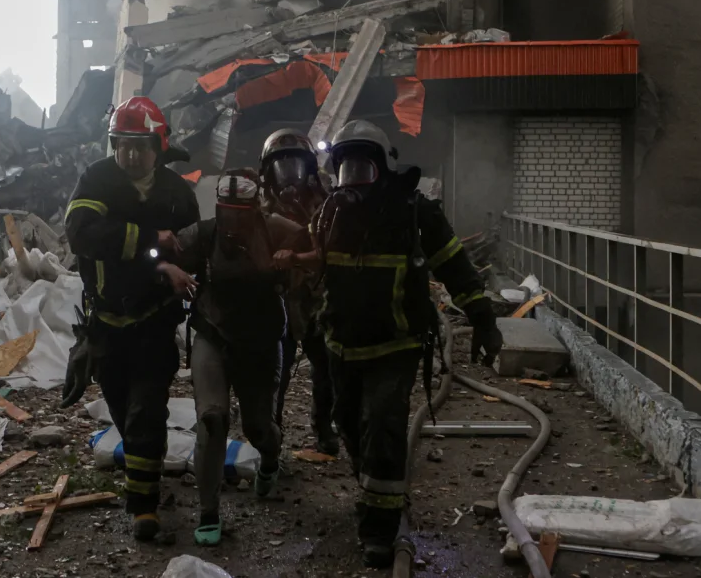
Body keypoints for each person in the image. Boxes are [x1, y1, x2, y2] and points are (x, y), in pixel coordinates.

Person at [311, 120, 503, 568]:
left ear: (384, 170)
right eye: (346, 168)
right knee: (349, 425)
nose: (353, 179)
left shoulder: (414, 214)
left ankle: (379, 530)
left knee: (382, 424)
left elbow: (455, 266)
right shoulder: (329, 214)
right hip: (342, 345)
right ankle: (375, 490)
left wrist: (483, 319)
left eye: (364, 168)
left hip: (395, 346)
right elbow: (304, 264)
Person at [61, 96, 200, 542]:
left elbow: (189, 249)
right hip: (106, 324)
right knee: (123, 409)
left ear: (158, 147)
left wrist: (177, 269)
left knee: (146, 410)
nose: (130, 154)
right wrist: (149, 243)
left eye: (139, 145)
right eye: (122, 144)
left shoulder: (177, 194)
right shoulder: (97, 180)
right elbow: (82, 235)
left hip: (153, 322)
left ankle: (144, 506)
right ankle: (146, 467)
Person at [171, 168, 309, 546]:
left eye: (241, 213)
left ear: (255, 209)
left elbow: (318, 249)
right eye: (227, 212)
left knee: (258, 427)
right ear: (218, 208)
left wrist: (294, 258)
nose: (233, 222)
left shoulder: (278, 229)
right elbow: (159, 255)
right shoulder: (203, 234)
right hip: (213, 336)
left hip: (261, 343)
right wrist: (168, 269)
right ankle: (208, 511)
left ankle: (270, 459)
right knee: (212, 419)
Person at [258, 129, 339, 456]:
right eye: (282, 165)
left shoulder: (327, 203)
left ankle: (324, 428)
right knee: (276, 371)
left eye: (296, 164)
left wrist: (296, 258)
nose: (289, 173)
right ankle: (271, 433)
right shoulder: (260, 208)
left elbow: (331, 252)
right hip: (280, 302)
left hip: (318, 300)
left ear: (309, 168)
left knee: (327, 368)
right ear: (268, 171)